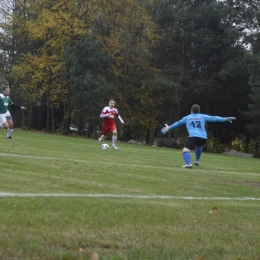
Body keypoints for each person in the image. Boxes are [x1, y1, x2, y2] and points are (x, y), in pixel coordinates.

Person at [161, 104, 236, 168]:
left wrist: (169, 128)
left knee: (185, 150)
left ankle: (188, 164)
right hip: (203, 138)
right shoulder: (203, 116)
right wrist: (225, 119)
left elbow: (178, 123)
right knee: (199, 145)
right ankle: (197, 161)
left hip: (194, 137)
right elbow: (214, 118)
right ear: (199, 110)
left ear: (191, 110)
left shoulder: (187, 117)